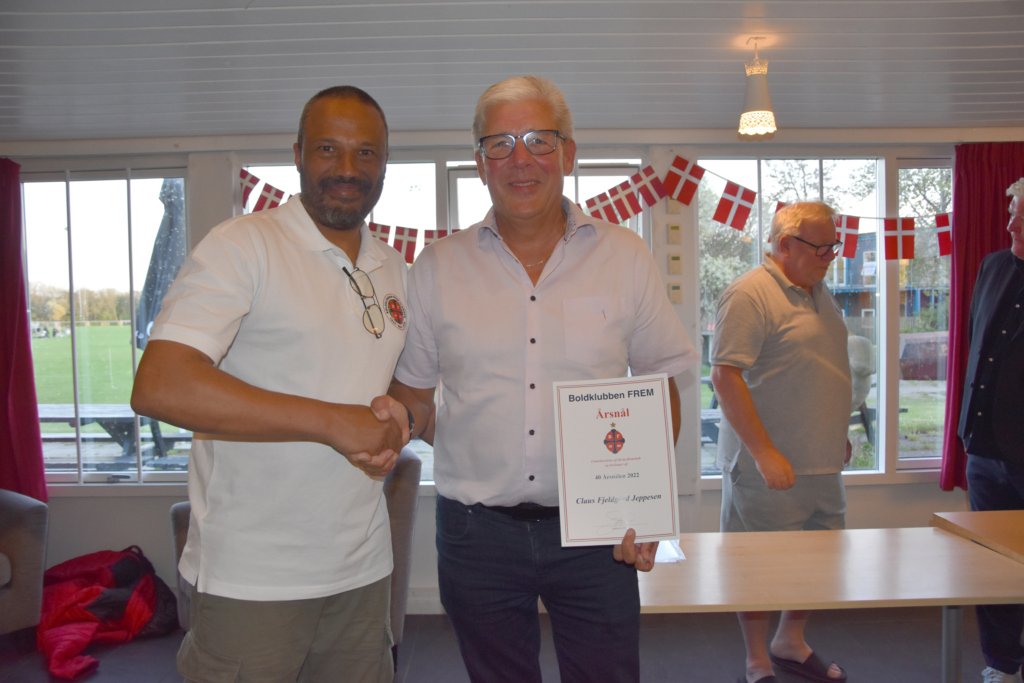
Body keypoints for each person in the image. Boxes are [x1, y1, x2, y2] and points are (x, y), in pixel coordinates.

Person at [387, 75, 697, 683]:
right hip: (476, 534)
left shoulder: (625, 256)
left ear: (569, 153)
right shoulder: (436, 267)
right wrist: (390, 422)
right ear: (480, 163)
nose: (520, 159)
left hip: (599, 534)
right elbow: (415, 395)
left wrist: (646, 506)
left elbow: (660, 380)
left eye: (539, 140)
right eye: (499, 144)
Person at [131, 85, 411, 683]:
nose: (347, 167)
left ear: (385, 162)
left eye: (366, 152)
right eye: (328, 149)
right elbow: (160, 384)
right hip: (252, 578)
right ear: (298, 154)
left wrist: (400, 420)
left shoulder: (392, 265)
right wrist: (332, 421)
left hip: (362, 569)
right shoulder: (242, 244)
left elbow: (397, 388)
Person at [710, 201, 852, 683]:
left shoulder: (820, 291)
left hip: (822, 461)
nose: (831, 256)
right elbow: (725, 376)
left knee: (819, 561)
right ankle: (757, 660)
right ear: (784, 244)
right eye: (821, 247)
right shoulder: (750, 294)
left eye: (834, 245)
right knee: (759, 567)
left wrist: (838, 430)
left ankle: (790, 640)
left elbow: (819, 367)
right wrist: (764, 452)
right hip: (764, 468)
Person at [958, 177, 1024, 683]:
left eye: (1021, 212)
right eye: (1012, 209)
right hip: (983, 450)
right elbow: (977, 346)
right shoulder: (992, 266)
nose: (1011, 221)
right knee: (994, 566)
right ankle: (1001, 664)